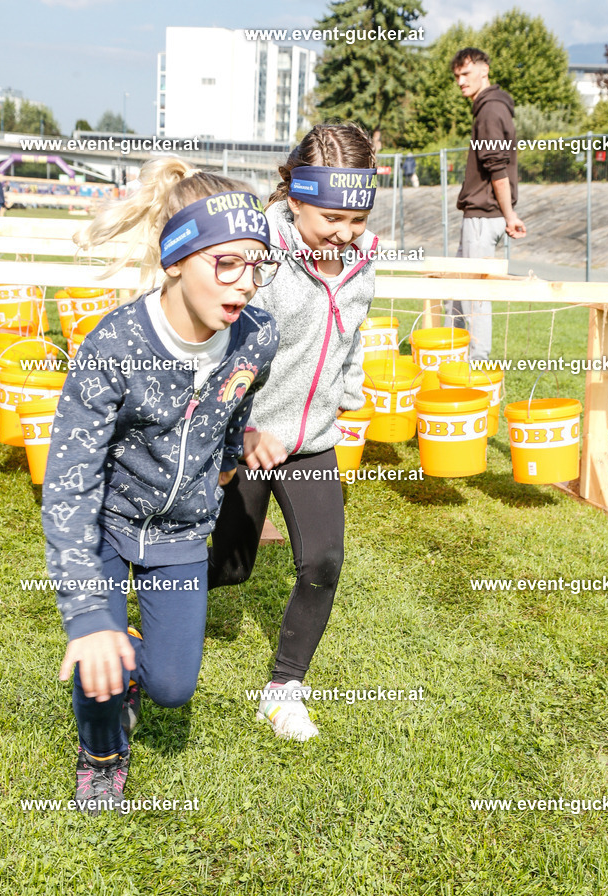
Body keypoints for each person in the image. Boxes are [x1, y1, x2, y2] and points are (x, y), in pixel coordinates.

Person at [42, 158, 280, 814]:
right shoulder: (112, 346)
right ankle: (101, 754)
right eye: (225, 263)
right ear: (176, 259)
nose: (245, 283)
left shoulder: (256, 338)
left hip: (181, 534)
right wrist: (89, 617)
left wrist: (238, 448)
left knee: (173, 686)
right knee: (101, 662)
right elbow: (67, 486)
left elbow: (233, 403)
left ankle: (132, 674)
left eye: (256, 264)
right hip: (108, 525)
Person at [208, 122, 378, 742]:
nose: (345, 232)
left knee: (324, 561)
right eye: (333, 217)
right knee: (231, 566)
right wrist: (238, 428)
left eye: (357, 218)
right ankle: (147, 617)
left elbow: (354, 332)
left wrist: (349, 393)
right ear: (296, 196)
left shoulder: (360, 259)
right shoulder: (260, 251)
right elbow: (218, 342)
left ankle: (284, 690)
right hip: (246, 435)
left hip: (312, 440)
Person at [449, 47, 526, 361]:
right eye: (456, 76)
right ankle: (447, 356)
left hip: (484, 216)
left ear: (484, 70)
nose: (460, 82)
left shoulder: (490, 110)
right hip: (479, 215)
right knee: (455, 290)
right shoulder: (487, 108)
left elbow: (497, 168)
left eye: (465, 74)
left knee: (474, 296)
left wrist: (509, 216)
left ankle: (476, 365)